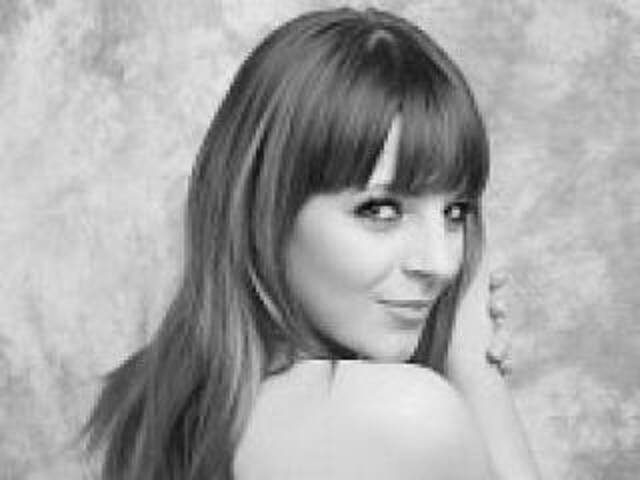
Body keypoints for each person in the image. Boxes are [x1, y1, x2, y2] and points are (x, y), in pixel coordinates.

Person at [83, 7, 540, 480]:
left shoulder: (173, 405)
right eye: (380, 210)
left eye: (455, 212)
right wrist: (477, 374)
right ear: (266, 210)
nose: (442, 263)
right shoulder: (407, 417)